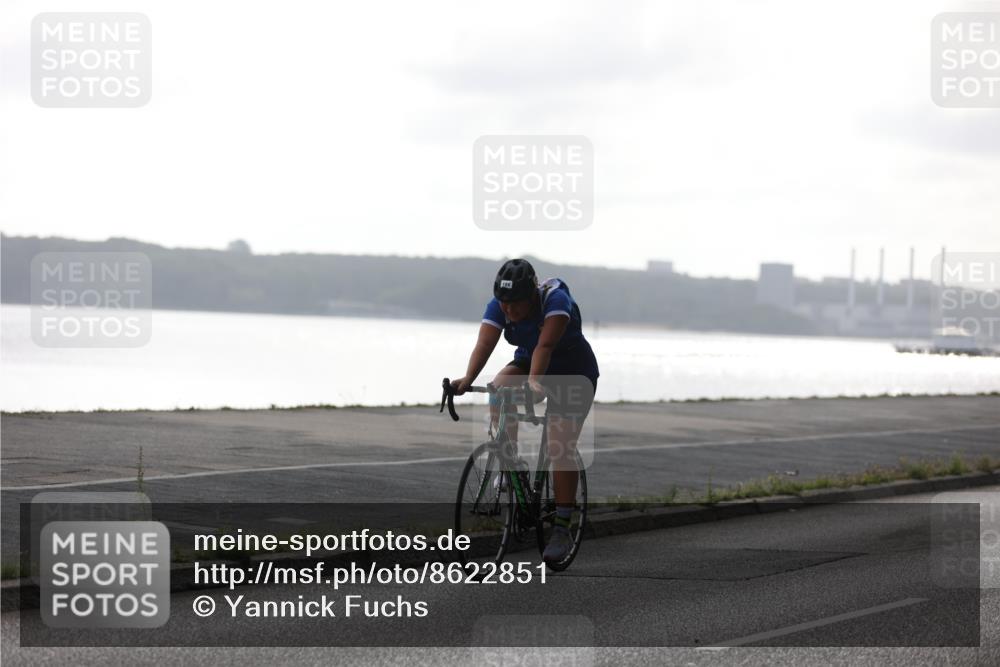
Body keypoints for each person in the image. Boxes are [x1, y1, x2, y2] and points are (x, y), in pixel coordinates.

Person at [451, 258, 599, 564]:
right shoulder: (501, 304)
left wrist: (534, 381)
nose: (508, 310)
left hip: (573, 371)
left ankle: (561, 526)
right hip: (530, 361)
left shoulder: (556, 300)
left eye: (515, 304)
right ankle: (511, 462)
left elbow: (545, 347)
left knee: (560, 446)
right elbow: (485, 343)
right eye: (503, 303)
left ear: (531, 295)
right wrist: (468, 379)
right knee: (499, 388)